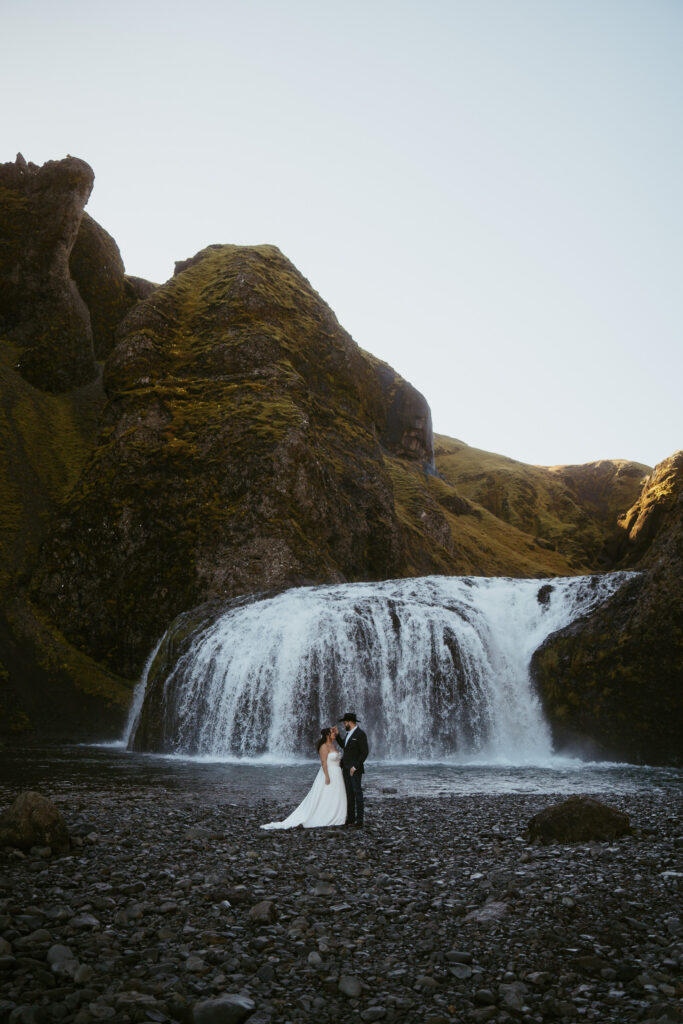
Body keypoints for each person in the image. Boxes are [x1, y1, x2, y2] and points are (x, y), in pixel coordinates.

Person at [260, 727, 347, 830]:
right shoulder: (323, 747)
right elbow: (323, 763)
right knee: (326, 794)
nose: (334, 735)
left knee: (336, 794)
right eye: (332, 733)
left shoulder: (332, 745)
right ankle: (327, 815)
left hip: (337, 774)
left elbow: (342, 750)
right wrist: (327, 776)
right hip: (329, 773)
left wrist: (337, 733)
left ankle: (338, 814)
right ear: (327, 735)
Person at [337, 712, 369, 827]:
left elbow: (364, 752)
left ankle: (359, 820)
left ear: (350, 722)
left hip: (354, 769)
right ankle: (350, 818)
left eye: (345, 722)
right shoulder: (349, 734)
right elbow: (345, 747)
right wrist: (336, 736)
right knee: (349, 794)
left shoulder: (360, 734)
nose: (344, 724)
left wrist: (355, 767)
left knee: (357, 793)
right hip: (345, 768)